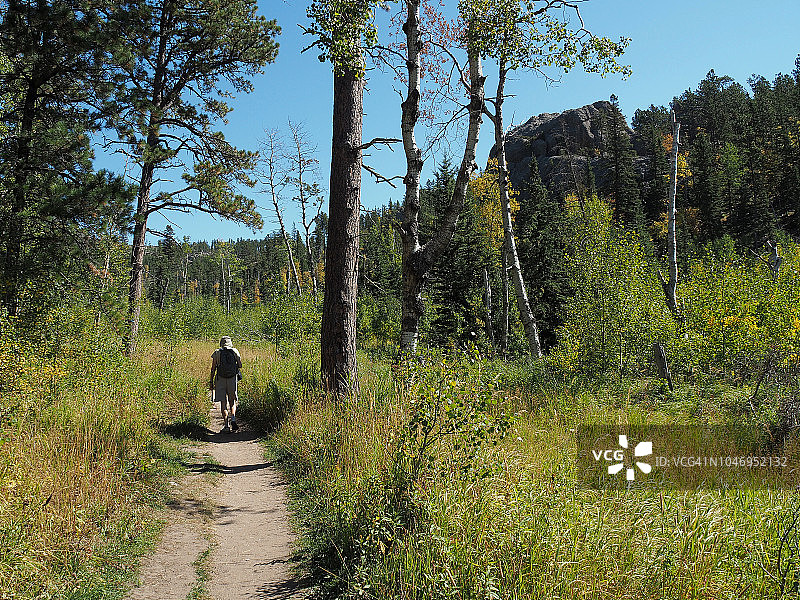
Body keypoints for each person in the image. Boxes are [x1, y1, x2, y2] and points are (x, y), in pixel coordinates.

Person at [209, 336, 242, 433]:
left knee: (223, 403)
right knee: (232, 401)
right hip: (232, 379)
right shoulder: (235, 351)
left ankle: (226, 426)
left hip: (220, 379)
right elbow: (240, 365)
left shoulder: (217, 352)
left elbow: (213, 369)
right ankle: (233, 419)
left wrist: (211, 381)